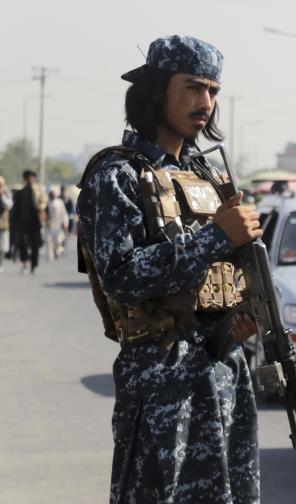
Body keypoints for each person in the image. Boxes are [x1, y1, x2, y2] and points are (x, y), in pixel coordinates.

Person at [76, 35, 261, 503]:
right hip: (161, 384)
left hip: (222, 378)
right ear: (158, 89)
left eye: (214, 91)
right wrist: (218, 235)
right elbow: (122, 274)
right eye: (194, 87)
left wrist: (232, 326)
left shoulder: (207, 176)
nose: (206, 102)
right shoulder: (117, 175)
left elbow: (217, 285)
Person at [10, 169, 46, 274]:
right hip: (22, 224)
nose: (30, 180)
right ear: (26, 179)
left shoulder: (39, 193)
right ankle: (24, 262)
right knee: (23, 244)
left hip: (35, 224)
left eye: (32, 177)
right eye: (28, 178)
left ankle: (33, 265)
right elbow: (15, 209)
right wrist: (14, 224)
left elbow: (44, 206)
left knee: (35, 245)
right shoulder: (20, 193)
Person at [46, 190, 69, 260]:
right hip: (50, 224)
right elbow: (45, 214)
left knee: (58, 240)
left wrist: (65, 223)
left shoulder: (59, 202)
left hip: (58, 224)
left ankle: (57, 251)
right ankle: (51, 255)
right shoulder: (47, 203)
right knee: (49, 240)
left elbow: (64, 213)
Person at [0, 176, 10, 272]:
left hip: (3, 225)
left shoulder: (6, 193)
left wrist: (2, 195)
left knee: (3, 247)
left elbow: (9, 205)